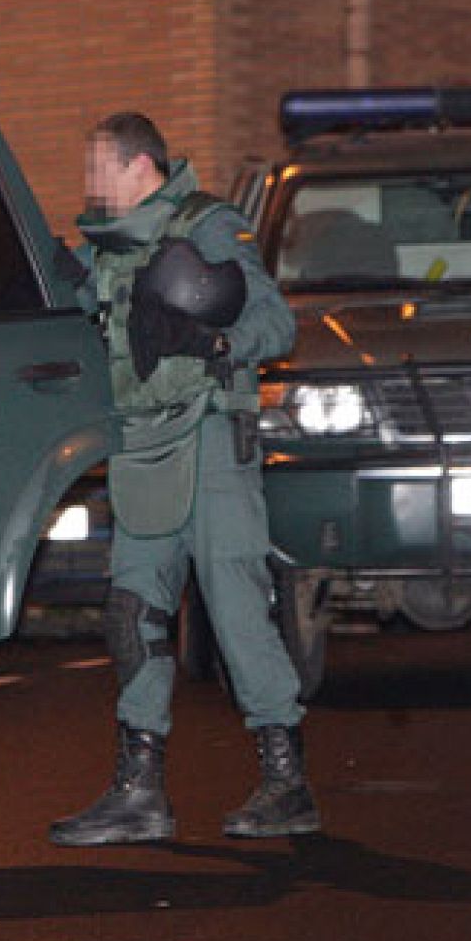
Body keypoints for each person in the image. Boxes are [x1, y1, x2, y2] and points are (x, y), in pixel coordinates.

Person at [50, 112, 319, 846]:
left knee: (235, 613)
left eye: (98, 169)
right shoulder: (105, 251)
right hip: (141, 447)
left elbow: (276, 321)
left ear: (139, 167)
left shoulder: (206, 224)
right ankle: (139, 793)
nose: (88, 186)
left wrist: (215, 338)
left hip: (207, 439)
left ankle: (286, 779)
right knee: (134, 613)